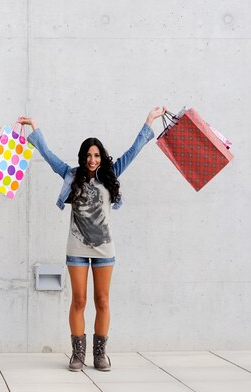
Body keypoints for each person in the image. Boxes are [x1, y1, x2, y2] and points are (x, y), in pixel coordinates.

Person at [17, 107, 165, 371]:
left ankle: (99, 354)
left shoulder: (111, 175)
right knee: (79, 301)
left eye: (96, 155)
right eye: (88, 155)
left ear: (102, 157)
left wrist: (149, 121)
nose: (92, 159)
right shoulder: (71, 175)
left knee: (103, 301)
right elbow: (48, 155)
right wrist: (34, 127)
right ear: (83, 157)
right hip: (76, 247)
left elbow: (133, 151)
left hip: (104, 249)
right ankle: (77, 354)